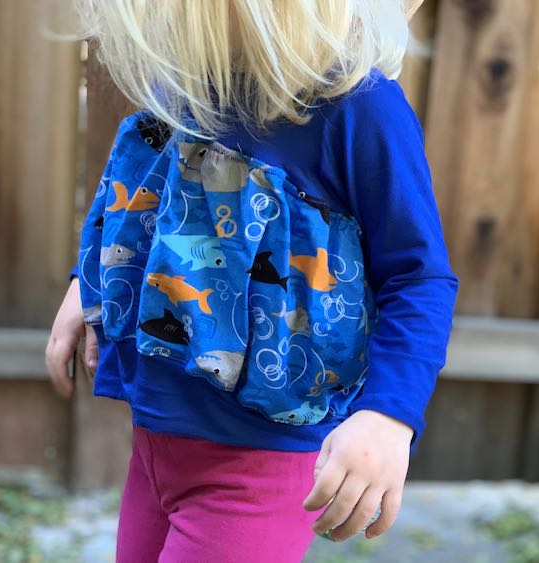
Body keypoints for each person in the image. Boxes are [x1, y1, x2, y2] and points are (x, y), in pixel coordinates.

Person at [45, 1, 457, 561]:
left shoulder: (356, 108)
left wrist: (387, 416)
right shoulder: (192, 81)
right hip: (154, 448)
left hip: (257, 465)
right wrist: (85, 283)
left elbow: (418, 276)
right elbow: (149, 203)